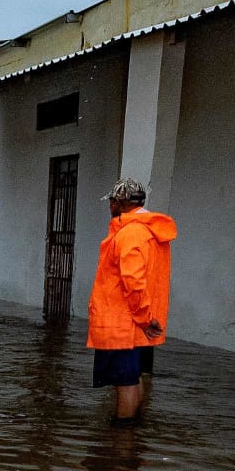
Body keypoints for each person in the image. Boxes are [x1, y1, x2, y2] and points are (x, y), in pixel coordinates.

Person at [86, 179, 177, 422]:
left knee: (124, 382)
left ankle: (122, 439)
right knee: (134, 377)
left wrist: (143, 318)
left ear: (120, 203)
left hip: (123, 324)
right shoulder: (150, 231)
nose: (110, 206)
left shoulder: (130, 233)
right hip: (137, 323)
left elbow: (133, 281)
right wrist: (147, 319)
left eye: (113, 202)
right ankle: (133, 436)